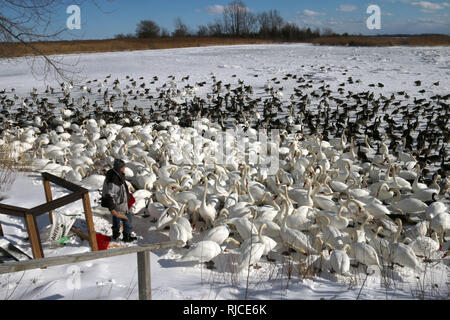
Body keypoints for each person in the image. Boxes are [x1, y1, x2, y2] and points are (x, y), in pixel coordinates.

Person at [101, 158, 137, 242]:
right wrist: (111, 208)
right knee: (128, 219)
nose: (125, 168)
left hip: (117, 202)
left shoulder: (114, 174)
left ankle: (115, 233)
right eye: (123, 167)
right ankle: (126, 236)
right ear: (120, 168)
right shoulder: (115, 179)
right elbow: (110, 193)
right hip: (120, 202)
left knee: (116, 217)